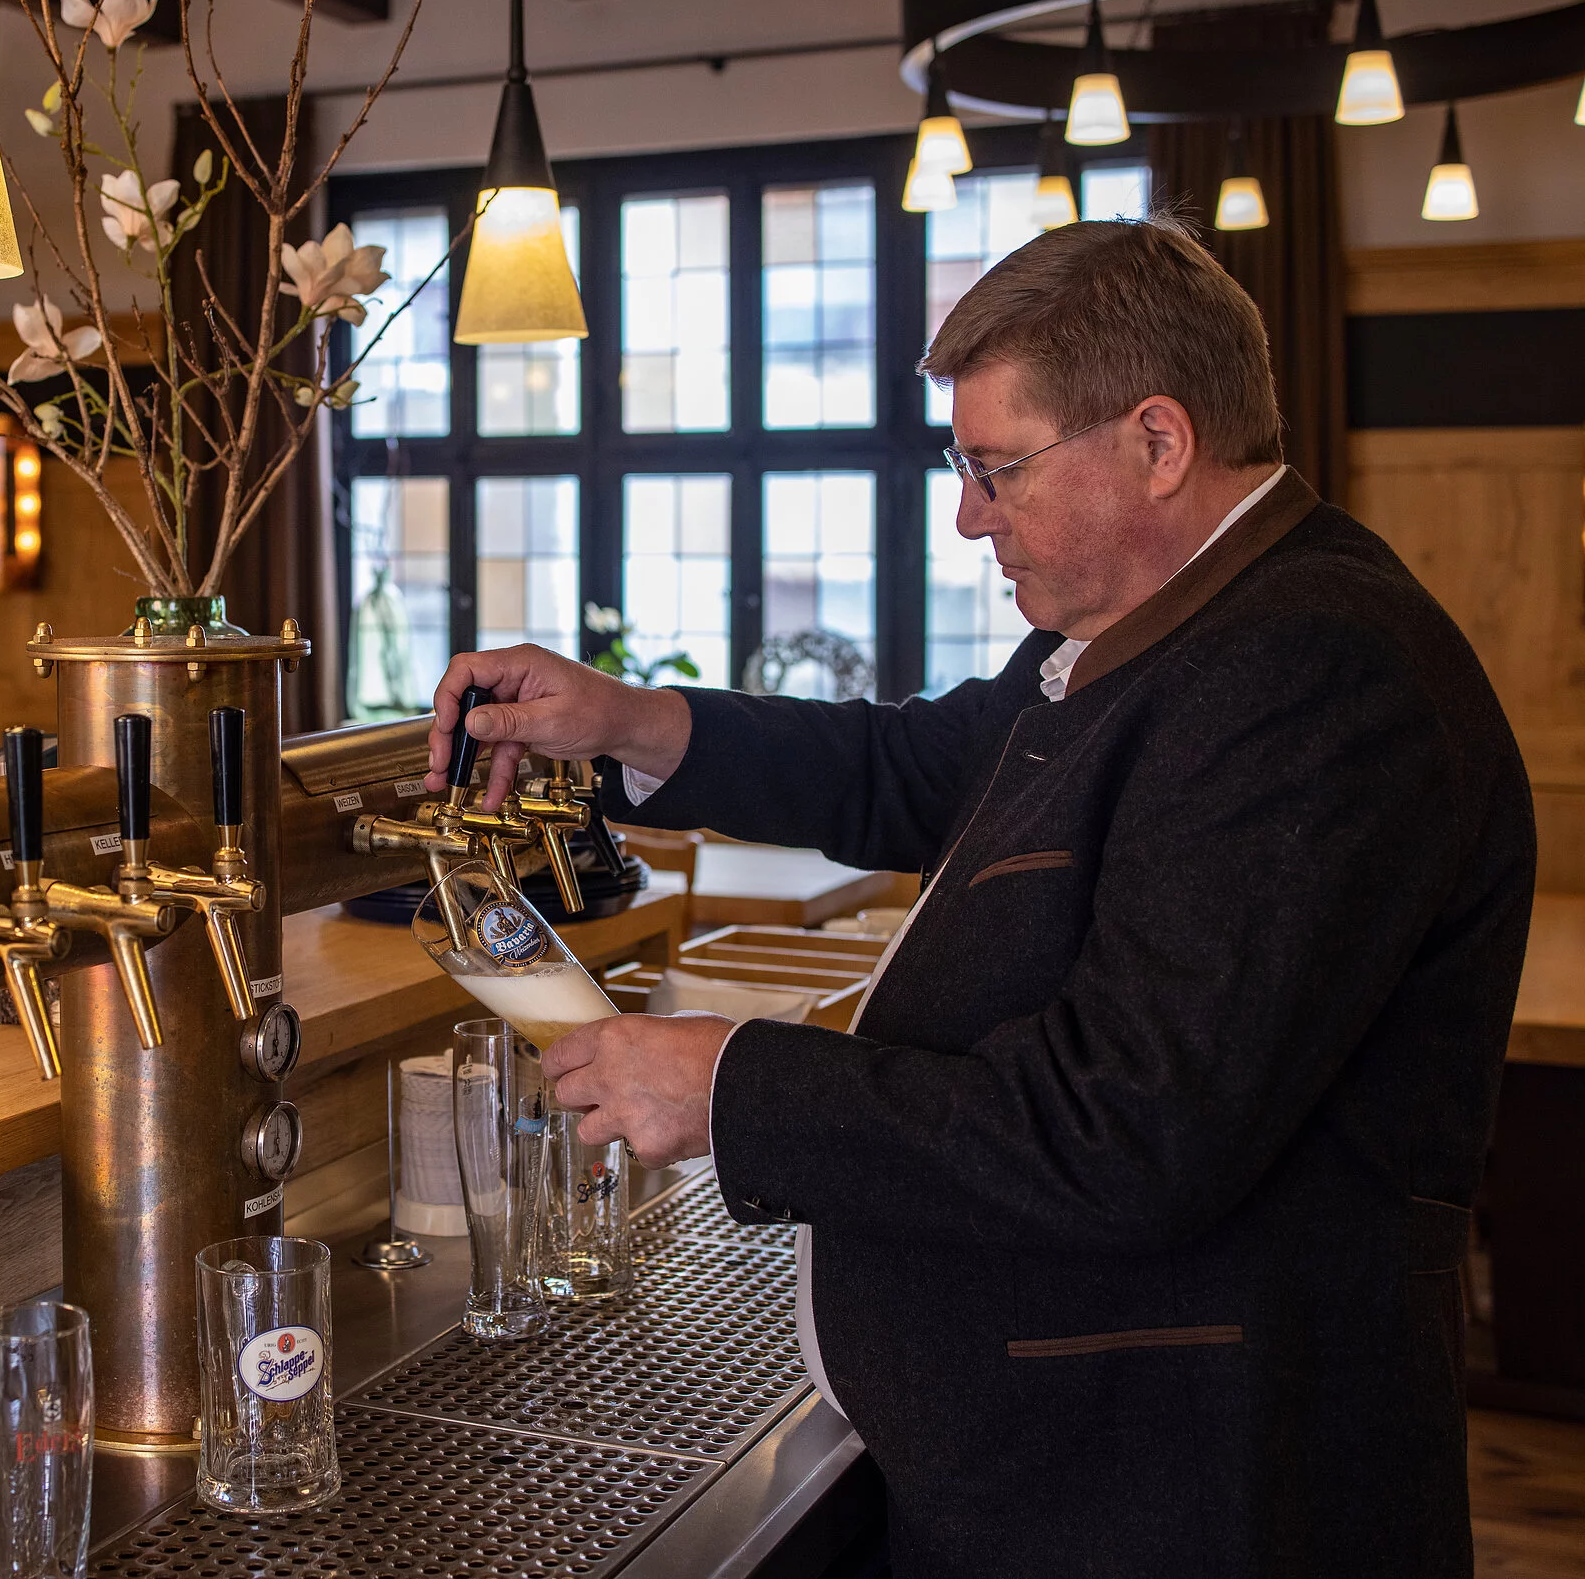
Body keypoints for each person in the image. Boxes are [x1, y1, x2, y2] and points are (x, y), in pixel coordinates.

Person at [424, 217, 1532, 1579]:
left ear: (1159, 441)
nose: (968, 516)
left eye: (998, 468)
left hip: (1196, 1494)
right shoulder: (1153, 639)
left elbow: (1124, 1133)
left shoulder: (1313, 675)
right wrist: (628, 721)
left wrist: (731, 1085)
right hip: (1088, 1459)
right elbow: (911, 765)